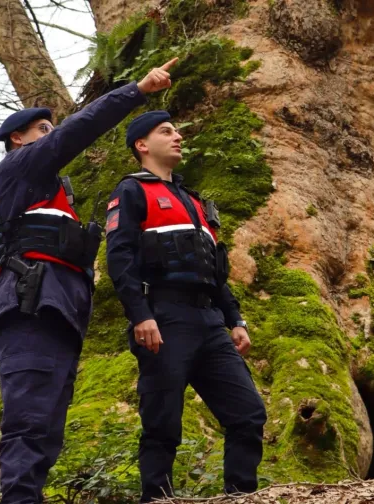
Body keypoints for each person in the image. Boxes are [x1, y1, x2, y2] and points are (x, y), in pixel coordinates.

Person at [0, 58, 178, 504]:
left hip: (59, 314)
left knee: (48, 431)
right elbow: (80, 129)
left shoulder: (48, 191)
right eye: (42, 131)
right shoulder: (18, 170)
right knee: (29, 424)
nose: (51, 138)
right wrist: (137, 90)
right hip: (29, 310)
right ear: (19, 139)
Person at [105, 110, 267, 502]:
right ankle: (157, 497)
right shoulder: (131, 191)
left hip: (210, 322)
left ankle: (240, 495)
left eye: (177, 130)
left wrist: (236, 319)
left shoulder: (193, 201)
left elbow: (216, 271)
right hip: (163, 317)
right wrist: (140, 314)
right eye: (166, 131)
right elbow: (120, 259)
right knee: (162, 423)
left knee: (248, 413)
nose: (177, 136)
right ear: (141, 145)